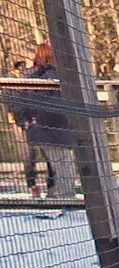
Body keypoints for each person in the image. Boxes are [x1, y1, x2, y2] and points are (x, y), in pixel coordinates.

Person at [13, 42, 77, 199]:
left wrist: (25, 121)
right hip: (56, 125)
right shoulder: (57, 76)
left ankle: (59, 194)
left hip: (40, 126)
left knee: (57, 163)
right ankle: (66, 197)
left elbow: (21, 102)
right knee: (63, 163)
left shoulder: (30, 77)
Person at [7, 54, 54, 197]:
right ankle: (34, 185)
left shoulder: (37, 75)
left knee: (45, 154)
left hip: (33, 117)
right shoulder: (12, 79)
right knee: (30, 155)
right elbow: (11, 100)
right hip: (22, 118)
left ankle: (47, 186)